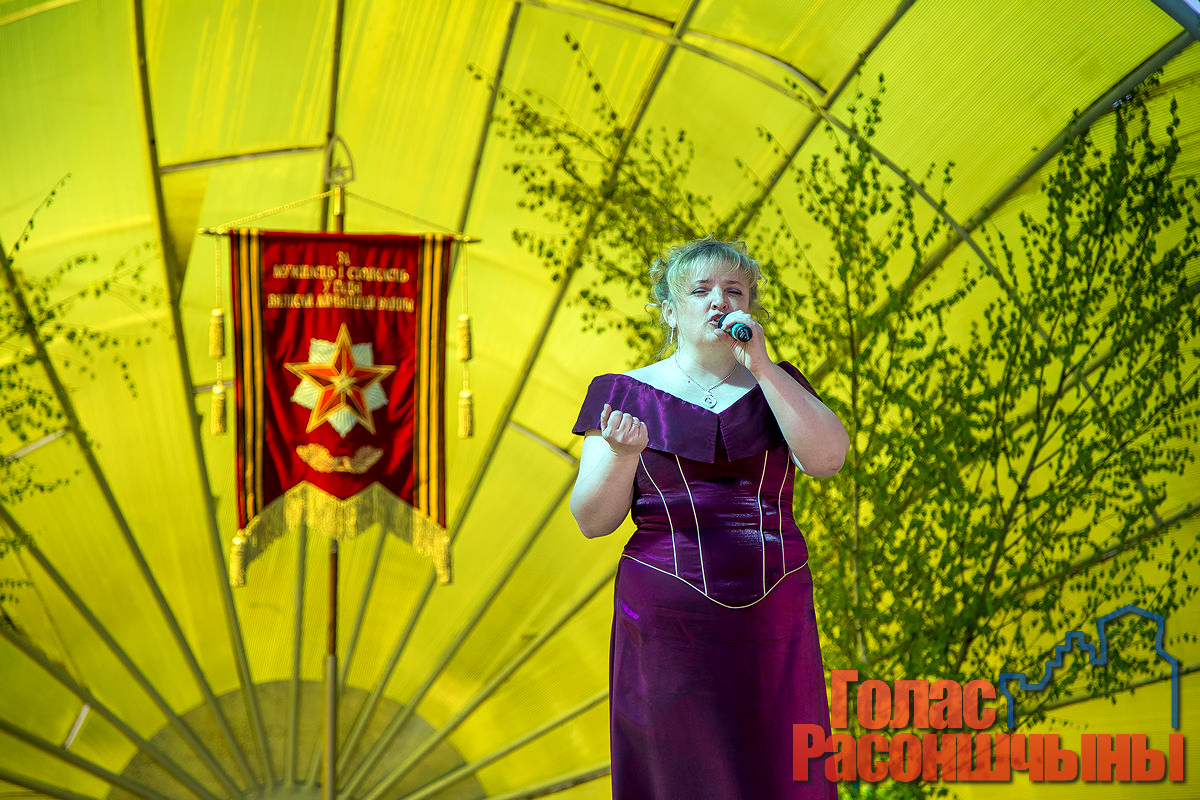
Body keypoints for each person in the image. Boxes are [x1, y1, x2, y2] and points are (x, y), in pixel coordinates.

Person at [570, 236, 849, 799]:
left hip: (773, 610)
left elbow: (827, 461)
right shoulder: (623, 393)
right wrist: (622, 456)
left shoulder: (777, 382)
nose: (719, 301)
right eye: (700, 291)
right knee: (680, 767)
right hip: (666, 617)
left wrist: (762, 367)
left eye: (734, 291)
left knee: (776, 759)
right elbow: (593, 521)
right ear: (670, 312)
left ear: (750, 308)